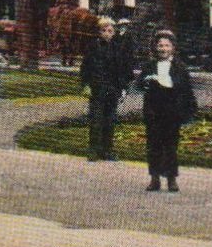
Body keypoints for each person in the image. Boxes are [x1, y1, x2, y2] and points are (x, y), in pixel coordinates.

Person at [137, 33, 197, 192]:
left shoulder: (179, 67)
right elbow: (138, 85)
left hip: (172, 111)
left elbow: (186, 90)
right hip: (154, 111)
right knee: (153, 145)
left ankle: (171, 179)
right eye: (160, 46)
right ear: (155, 48)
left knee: (170, 145)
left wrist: (188, 112)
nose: (163, 49)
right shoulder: (149, 65)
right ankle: (154, 178)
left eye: (166, 46)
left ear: (173, 48)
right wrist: (146, 82)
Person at [79, 16, 134, 161]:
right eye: (104, 30)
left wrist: (123, 87)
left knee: (109, 120)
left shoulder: (117, 48)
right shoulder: (92, 48)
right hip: (97, 90)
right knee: (96, 120)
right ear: (99, 32)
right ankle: (93, 150)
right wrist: (86, 84)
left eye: (110, 31)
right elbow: (85, 68)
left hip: (112, 90)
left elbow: (123, 69)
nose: (107, 33)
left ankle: (107, 150)